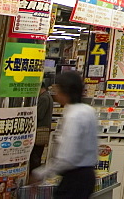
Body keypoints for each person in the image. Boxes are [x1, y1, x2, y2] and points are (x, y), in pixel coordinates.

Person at [31, 71, 98, 199]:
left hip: (74, 178)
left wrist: (41, 173)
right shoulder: (88, 110)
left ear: (65, 91)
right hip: (88, 175)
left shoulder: (73, 115)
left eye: (57, 88)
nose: (55, 93)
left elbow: (66, 156)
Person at [29, 80, 54, 172]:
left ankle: (34, 173)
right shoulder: (48, 96)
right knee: (37, 154)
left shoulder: (44, 98)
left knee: (35, 155)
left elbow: (40, 114)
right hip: (44, 129)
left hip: (40, 129)